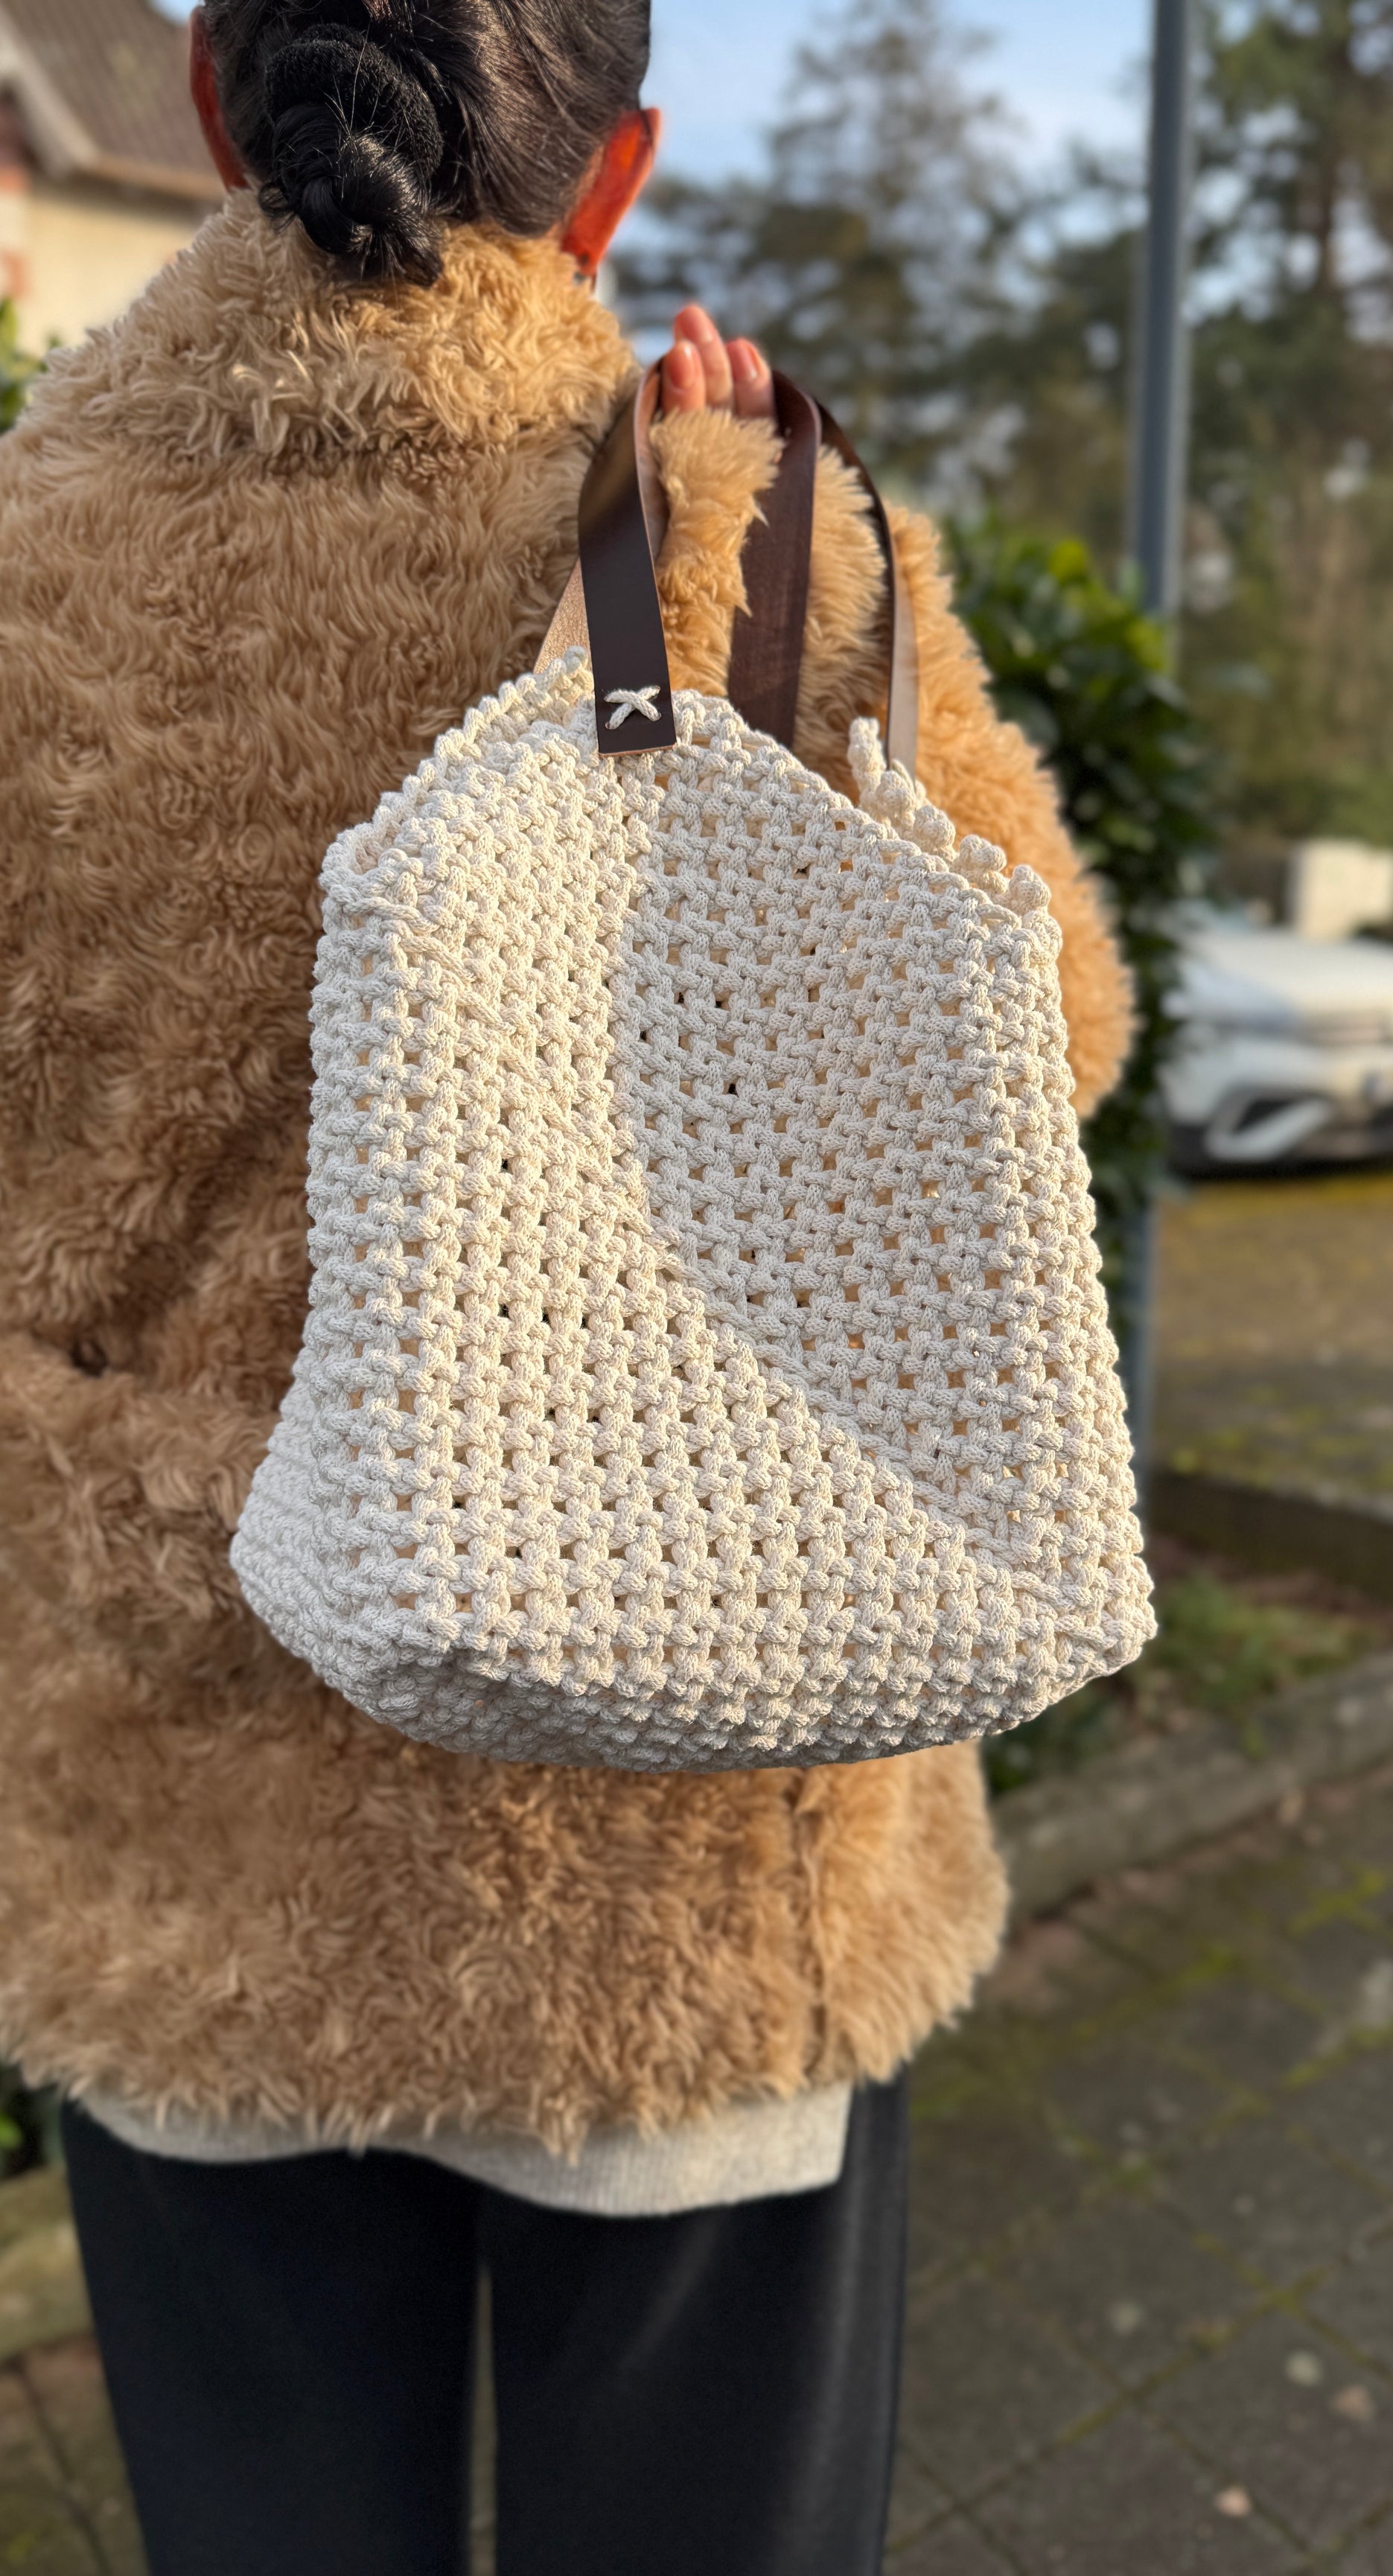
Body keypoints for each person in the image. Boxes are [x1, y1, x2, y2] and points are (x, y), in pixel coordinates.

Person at [0, 4, 1133, 2569]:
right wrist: (779, 601)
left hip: (177, 1868)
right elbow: (1042, 1035)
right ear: (607, 170)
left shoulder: (19, 565)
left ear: (211, 117)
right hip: (692, 1850)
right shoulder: (744, 530)